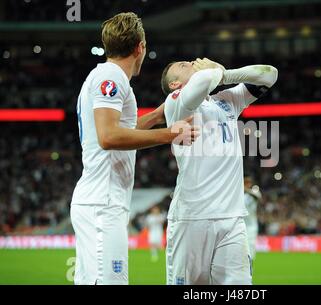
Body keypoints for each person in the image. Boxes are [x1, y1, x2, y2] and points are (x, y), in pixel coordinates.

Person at [70, 12, 197, 285]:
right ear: (140, 47)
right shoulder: (111, 77)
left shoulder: (105, 75)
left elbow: (118, 129)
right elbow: (109, 136)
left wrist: (156, 116)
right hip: (102, 202)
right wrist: (169, 134)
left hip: (99, 200)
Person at [161, 58, 278, 285]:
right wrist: (215, 72)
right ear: (175, 84)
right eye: (184, 65)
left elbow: (270, 74)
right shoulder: (176, 103)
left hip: (232, 218)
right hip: (192, 217)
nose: (192, 62)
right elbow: (202, 81)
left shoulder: (225, 101)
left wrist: (227, 75)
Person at [244, 175, 261, 260]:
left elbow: (258, 197)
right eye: (245, 182)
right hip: (240, 225)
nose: (247, 184)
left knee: (250, 247)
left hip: (251, 226)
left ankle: (250, 270)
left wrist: (245, 190)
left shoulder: (254, 192)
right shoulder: (238, 194)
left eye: (249, 182)